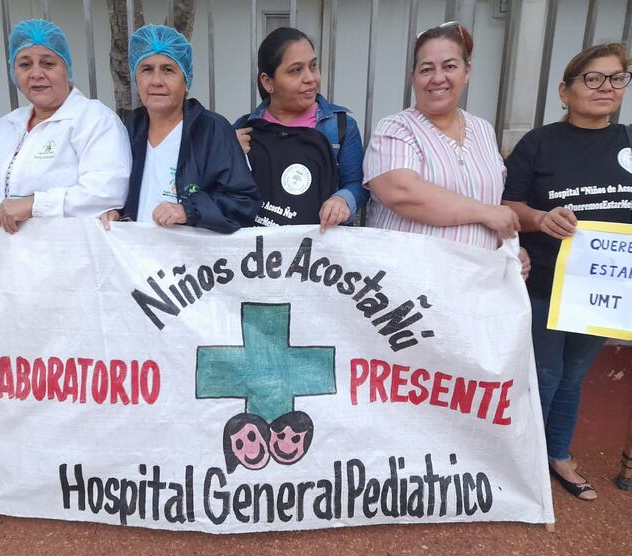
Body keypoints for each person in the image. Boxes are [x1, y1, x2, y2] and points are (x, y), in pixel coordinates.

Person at [502, 42, 632, 501]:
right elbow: (507, 206)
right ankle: (526, 461)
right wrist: (539, 218)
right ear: (565, 89)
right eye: (592, 78)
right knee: (545, 372)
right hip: (546, 284)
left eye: (617, 78)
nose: (606, 87)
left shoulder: (630, 142)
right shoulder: (538, 144)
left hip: (605, 291)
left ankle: (558, 454)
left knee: (573, 375)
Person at [0, 19, 131, 237]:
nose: (36, 74)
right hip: (10, 260)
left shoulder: (95, 119)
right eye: (25, 64)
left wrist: (34, 205)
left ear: (67, 69)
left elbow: (106, 193)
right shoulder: (6, 127)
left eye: (48, 64)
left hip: (69, 258)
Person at [363, 22, 523, 254]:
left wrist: (507, 246)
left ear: (466, 73)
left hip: (476, 280)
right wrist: (485, 212)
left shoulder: (483, 130)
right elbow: (403, 194)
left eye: (449, 66)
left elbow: (492, 202)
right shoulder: (395, 128)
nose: (438, 78)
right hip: (409, 280)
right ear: (413, 77)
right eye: (427, 69)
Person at [102, 24, 259, 233]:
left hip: (190, 263)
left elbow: (244, 203)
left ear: (186, 80)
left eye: (168, 70)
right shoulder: (129, 131)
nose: (156, 81)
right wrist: (115, 211)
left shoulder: (211, 131)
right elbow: (117, 189)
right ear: (135, 78)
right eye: (147, 70)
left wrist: (188, 210)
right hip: (134, 261)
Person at [234, 27, 368, 231]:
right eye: (296, 70)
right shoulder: (244, 130)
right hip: (257, 255)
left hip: (319, 254)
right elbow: (217, 190)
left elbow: (358, 184)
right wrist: (228, 155)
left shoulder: (340, 127)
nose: (310, 78)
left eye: (313, 66)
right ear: (268, 82)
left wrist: (342, 200)